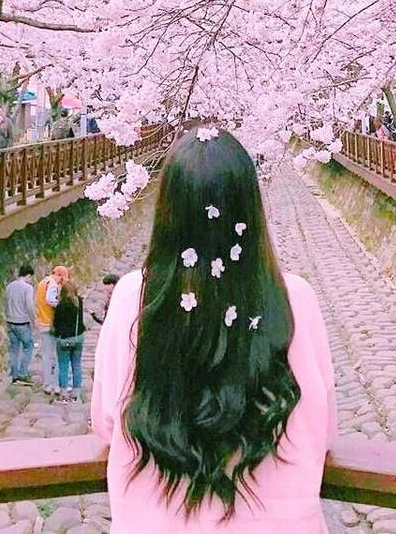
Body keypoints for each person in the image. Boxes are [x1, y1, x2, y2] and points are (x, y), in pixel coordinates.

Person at [92, 129, 336, 532]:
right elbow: (323, 431)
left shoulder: (133, 298)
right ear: (251, 210)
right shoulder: (295, 300)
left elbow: (105, 421)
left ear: (168, 213)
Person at [35, 264, 69, 394]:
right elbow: (50, 299)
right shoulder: (53, 284)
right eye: (62, 279)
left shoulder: (42, 283)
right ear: (58, 275)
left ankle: (47, 384)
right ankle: (56, 385)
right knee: (57, 356)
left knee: (46, 356)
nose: (61, 282)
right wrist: (61, 305)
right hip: (52, 323)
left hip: (42, 322)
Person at [52, 278, 86, 402]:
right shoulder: (79, 302)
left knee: (63, 366)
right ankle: (76, 392)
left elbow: (56, 323)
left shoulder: (61, 305)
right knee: (77, 365)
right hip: (78, 337)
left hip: (64, 340)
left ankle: (64, 392)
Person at [4, 264, 37, 384]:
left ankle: (14, 374)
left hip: (10, 321)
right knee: (28, 346)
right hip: (22, 322)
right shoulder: (28, 288)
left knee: (14, 349)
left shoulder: (9, 286)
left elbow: (6, 303)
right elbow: (29, 306)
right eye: (30, 277)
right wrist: (34, 320)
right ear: (28, 275)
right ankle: (23, 373)